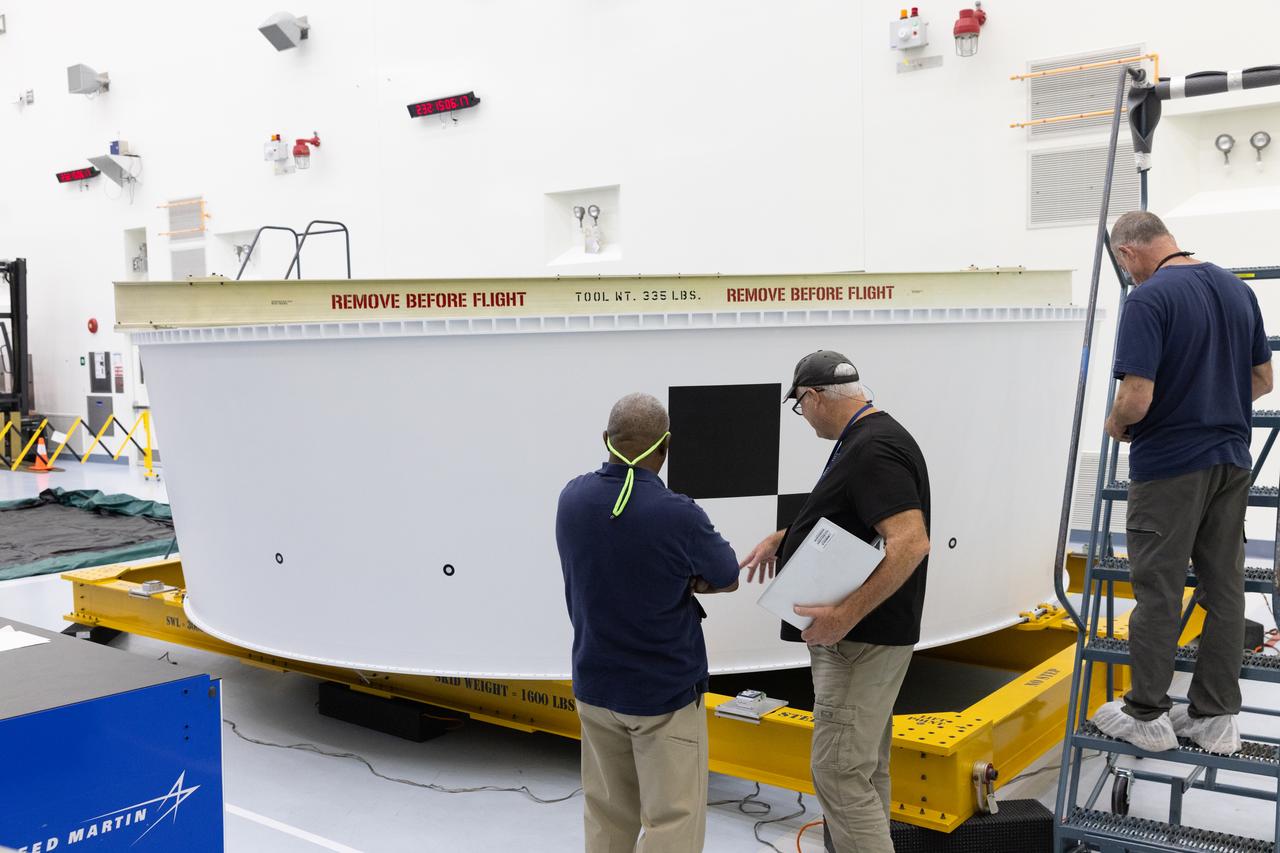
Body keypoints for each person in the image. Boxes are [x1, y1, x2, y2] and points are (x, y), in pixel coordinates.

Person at [1091, 211, 1273, 755]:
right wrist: (1213, 400)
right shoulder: (1236, 291)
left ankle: (1147, 713)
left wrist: (1118, 422)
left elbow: (1136, 397)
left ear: (1127, 254)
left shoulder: (1148, 299)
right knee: (1226, 589)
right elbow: (1263, 380)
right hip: (1231, 460)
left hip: (1170, 465)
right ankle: (1215, 718)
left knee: (1159, 591)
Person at [740, 351, 930, 853]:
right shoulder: (871, 438)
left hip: (857, 643)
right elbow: (854, 516)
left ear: (814, 396)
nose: (805, 420)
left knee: (840, 773)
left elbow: (910, 541)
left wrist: (844, 615)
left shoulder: (872, 450)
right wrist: (788, 536)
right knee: (863, 770)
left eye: (800, 408)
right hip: (870, 641)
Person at [556, 392, 740, 853]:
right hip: (663, 693)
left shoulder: (572, 498)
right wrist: (687, 580)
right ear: (666, 445)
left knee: (605, 814)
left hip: (596, 685)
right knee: (671, 820)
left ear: (606, 439)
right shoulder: (677, 514)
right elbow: (727, 575)